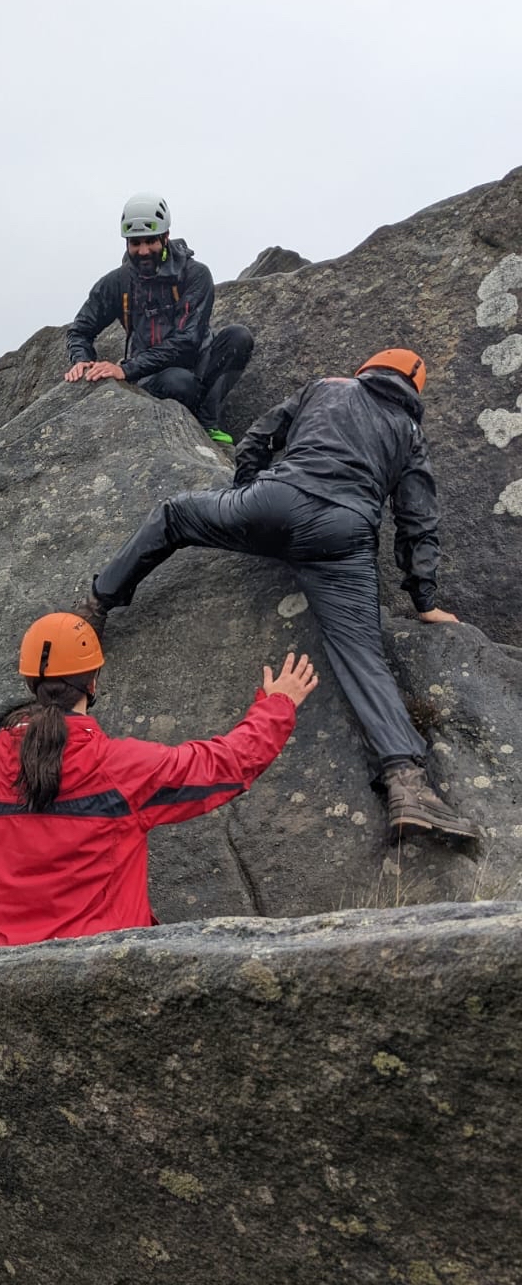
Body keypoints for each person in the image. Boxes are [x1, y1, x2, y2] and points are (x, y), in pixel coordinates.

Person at [79, 349, 477, 843]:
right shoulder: (410, 433)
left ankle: (94, 608)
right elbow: (419, 523)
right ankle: (408, 787)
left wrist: (246, 498)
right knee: (362, 656)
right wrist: (424, 600)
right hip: (341, 535)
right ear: (413, 390)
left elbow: (258, 438)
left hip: (273, 501)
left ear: (365, 369)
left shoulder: (325, 387)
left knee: (172, 516)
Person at [0, 614, 317, 945]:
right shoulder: (118, 767)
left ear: (31, 683)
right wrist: (277, 705)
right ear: (92, 682)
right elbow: (227, 765)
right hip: (99, 963)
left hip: (3, 963)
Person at [64, 191, 254, 444]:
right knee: (180, 382)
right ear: (127, 243)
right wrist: (82, 359)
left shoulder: (195, 274)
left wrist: (124, 369)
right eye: (135, 243)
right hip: (153, 375)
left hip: (196, 361)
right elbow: (80, 331)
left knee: (238, 337)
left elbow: (188, 339)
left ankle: (208, 422)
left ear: (165, 237)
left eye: (150, 241)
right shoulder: (117, 282)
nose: (143, 251)